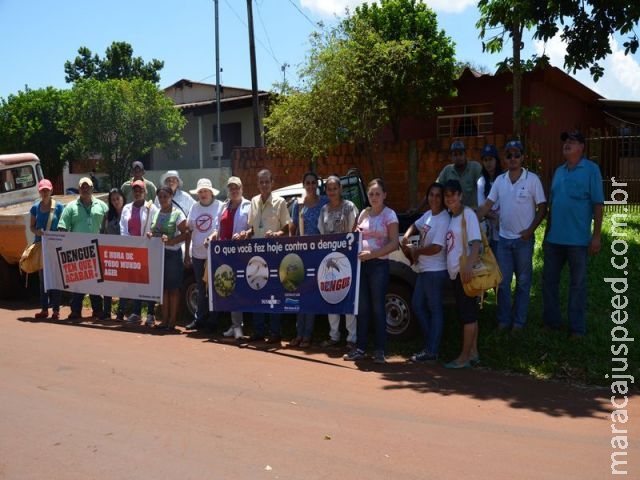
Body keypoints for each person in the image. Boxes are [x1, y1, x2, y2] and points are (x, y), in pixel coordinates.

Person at [477, 140, 547, 331]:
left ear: (523, 157)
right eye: (509, 155)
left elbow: (542, 208)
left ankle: (519, 322)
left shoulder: (532, 179)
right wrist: (470, 218)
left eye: (517, 154)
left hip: (524, 241)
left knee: (524, 283)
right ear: (505, 159)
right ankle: (504, 320)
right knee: (503, 283)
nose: (513, 158)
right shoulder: (500, 181)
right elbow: (487, 206)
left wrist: (530, 231)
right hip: (504, 241)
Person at [543, 131, 604, 338]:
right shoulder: (559, 171)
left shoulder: (591, 170)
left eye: (572, 142)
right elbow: (552, 205)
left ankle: (577, 328)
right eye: (565, 142)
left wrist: (596, 236)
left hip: (578, 241)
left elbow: (598, 204)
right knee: (549, 282)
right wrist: (546, 235)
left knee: (577, 285)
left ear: (582, 147)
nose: (566, 144)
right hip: (554, 240)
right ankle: (552, 322)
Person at [344, 178, 399, 364]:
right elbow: (355, 234)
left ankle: (380, 350)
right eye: (371, 194)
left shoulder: (389, 215)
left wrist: (373, 254)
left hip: (378, 266)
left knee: (377, 308)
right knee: (363, 308)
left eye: (377, 194)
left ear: (384, 195)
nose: (374, 197)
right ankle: (360, 348)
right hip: (362, 265)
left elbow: (394, 243)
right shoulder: (363, 213)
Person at [240, 169, 292, 343]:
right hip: (256, 253)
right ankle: (258, 330)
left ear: (272, 183)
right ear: (257, 184)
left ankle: (275, 332)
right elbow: (252, 228)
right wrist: (246, 234)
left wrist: (278, 233)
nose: (264, 185)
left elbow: (287, 227)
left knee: (273, 293)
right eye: (261, 182)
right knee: (257, 289)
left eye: (267, 182)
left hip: (274, 254)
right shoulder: (253, 201)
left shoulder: (280, 202)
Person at [401, 182, 449, 362]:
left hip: (435, 270)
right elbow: (415, 224)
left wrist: (415, 251)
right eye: (431, 195)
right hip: (424, 269)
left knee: (434, 308)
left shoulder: (443, 219)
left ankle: (432, 350)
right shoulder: (429, 215)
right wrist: (406, 236)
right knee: (418, 305)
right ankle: (432, 343)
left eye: (438, 196)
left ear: (443, 198)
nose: (434, 199)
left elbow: (437, 248)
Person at [57, 176, 108, 320]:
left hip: (96, 249)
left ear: (92, 189)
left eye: (88, 187)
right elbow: (62, 227)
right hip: (77, 251)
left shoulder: (102, 206)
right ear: (79, 189)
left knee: (96, 282)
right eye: (82, 187)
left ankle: (98, 310)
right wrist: (65, 245)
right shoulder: (71, 207)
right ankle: (75, 310)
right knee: (78, 283)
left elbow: (108, 225)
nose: (85, 189)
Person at [317, 175, 359, 349]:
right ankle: (334, 336)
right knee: (331, 297)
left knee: (348, 298)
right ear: (326, 191)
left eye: (335, 188)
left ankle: (352, 338)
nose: (332, 192)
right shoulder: (324, 210)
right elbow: (321, 233)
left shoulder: (349, 207)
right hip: (329, 259)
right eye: (329, 189)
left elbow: (354, 231)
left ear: (340, 189)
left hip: (347, 259)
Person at [443, 179, 481, 369]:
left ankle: (464, 358)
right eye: (446, 195)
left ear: (460, 195)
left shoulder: (468, 214)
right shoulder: (453, 217)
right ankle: (473, 353)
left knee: (467, 316)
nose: (449, 198)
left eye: (453, 194)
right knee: (469, 314)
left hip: (464, 273)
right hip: (456, 273)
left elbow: (476, 243)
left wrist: (468, 267)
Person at [208, 176, 251, 340]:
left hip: (240, 253)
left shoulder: (248, 205)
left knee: (238, 289)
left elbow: (252, 227)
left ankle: (239, 326)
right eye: (231, 188)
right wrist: (212, 237)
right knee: (229, 288)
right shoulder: (224, 206)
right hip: (223, 253)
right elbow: (217, 228)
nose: (234, 190)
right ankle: (234, 325)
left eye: (236, 187)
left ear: (241, 189)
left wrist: (245, 234)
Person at [289, 172, 328, 348]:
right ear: (304, 185)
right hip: (302, 255)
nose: (311, 186)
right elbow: (293, 227)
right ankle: (298, 333)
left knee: (311, 295)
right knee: (300, 294)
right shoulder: (299, 204)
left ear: (317, 184)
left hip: (318, 254)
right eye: (308, 183)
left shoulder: (324, 202)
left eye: (314, 182)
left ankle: (307, 334)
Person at [148, 186, 189, 332]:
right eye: (160, 197)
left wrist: (172, 240)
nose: (162, 199)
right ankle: (164, 320)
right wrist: (150, 235)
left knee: (173, 289)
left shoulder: (177, 214)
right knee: (164, 289)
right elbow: (155, 232)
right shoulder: (157, 213)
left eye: (165, 196)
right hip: (159, 255)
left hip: (173, 255)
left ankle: (172, 321)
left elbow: (187, 233)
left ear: (171, 197)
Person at [184, 178, 222, 332]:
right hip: (197, 254)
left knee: (214, 288)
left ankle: (213, 321)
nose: (203, 194)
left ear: (211, 192)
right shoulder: (194, 207)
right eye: (200, 192)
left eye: (205, 191)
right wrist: (187, 253)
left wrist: (212, 237)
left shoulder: (219, 206)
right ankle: (199, 318)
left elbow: (219, 228)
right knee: (200, 287)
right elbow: (189, 230)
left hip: (213, 254)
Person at [119, 180, 159, 326]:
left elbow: (155, 226)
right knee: (135, 281)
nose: (137, 193)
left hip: (148, 250)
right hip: (132, 250)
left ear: (145, 192)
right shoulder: (126, 208)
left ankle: (150, 313)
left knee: (148, 281)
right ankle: (136, 312)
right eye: (135, 190)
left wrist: (150, 235)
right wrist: (129, 242)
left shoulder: (152, 208)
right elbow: (123, 227)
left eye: (140, 190)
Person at [30, 179, 64, 320]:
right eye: (42, 190)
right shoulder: (35, 208)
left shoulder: (59, 207)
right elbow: (32, 227)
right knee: (43, 280)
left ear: (51, 191)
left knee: (55, 279)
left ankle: (56, 310)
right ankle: (44, 309)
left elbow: (63, 225)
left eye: (47, 190)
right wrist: (39, 233)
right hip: (41, 248)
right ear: (39, 191)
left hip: (55, 248)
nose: (44, 192)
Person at [100, 188, 126, 321]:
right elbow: (102, 232)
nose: (116, 201)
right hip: (109, 253)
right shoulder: (107, 215)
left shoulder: (128, 212)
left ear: (123, 198)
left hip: (124, 254)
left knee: (123, 284)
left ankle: (121, 312)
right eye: (113, 199)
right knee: (108, 283)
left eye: (118, 198)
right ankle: (106, 311)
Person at [437, 139, 483, 208]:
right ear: (451, 157)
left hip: (473, 211)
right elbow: (435, 188)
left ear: (465, 154)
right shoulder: (447, 170)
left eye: (460, 154)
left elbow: (484, 188)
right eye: (455, 155)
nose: (458, 157)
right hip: (453, 212)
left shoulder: (475, 167)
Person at [477, 144, 503, 254]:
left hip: (504, 231)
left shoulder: (504, 179)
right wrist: (495, 217)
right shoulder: (481, 182)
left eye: (491, 159)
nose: (488, 163)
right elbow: (482, 208)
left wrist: (500, 219)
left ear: (496, 160)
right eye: (485, 160)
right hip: (488, 232)